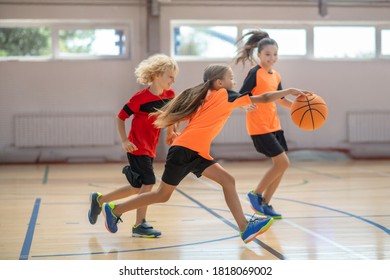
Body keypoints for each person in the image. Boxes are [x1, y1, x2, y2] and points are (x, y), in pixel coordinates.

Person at [100, 63, 312, 243]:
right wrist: (288, 91)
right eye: (231, 78)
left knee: (228, 181)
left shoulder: (209, 97)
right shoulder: (223, 94)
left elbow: (195, 115)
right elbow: (264, 98)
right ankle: (115, 210)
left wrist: (173, 131)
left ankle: (245, 227)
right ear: (219, 83)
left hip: (196, 152)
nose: (234, 82)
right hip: (185, 151)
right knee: (162, 195)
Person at [88, 53, 179, 238]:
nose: (172, 81)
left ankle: (100, 200)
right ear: (157, 75)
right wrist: (124, 140)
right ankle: (140, 225)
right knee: (149, 183)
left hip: (150, 147)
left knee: (136, 188)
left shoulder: (170, 95)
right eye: (170, 76)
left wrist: (171, 133)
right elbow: (121, 117)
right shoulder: (140, 98)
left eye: (174, 78)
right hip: (136, 147)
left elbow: (170, 117)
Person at [234, 30, 295, 219]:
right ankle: (255, 194)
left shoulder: (275, 75)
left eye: (275, 54)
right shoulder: (255, 72)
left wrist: (298, 107)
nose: (272, 58)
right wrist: (245, 107)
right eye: (268, 54)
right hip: (259, 126)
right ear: (259, 55)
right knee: (283, 162)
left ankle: (265, 203)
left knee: (282, 166)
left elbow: (281, 100)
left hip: (274, 125)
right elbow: (239, 97)